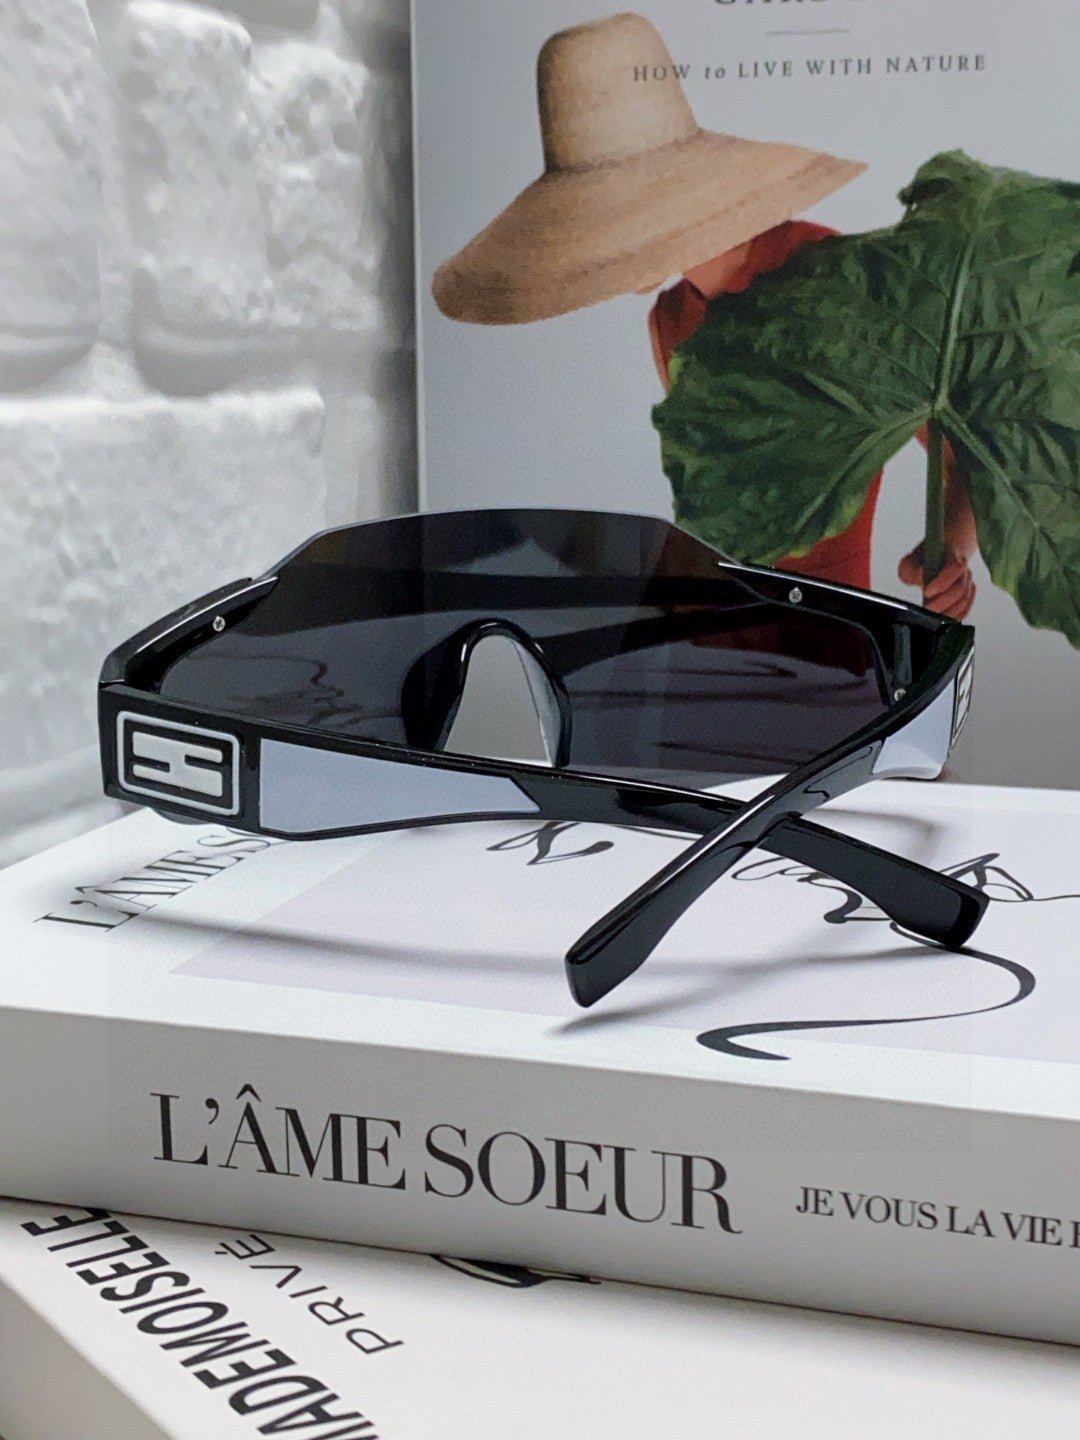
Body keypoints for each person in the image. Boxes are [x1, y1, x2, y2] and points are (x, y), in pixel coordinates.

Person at [432, 13, 977, 620]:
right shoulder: (670, 320)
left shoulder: (844, 285)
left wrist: (951, 550)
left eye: (609, 221)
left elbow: (966, 446)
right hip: (703, 638)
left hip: (831, 639)